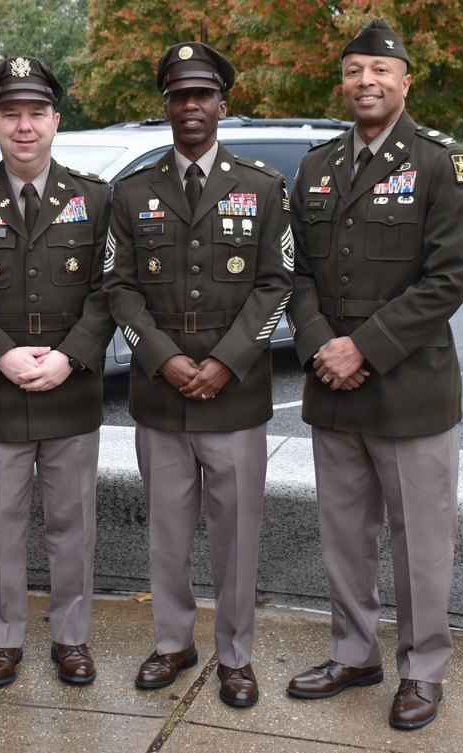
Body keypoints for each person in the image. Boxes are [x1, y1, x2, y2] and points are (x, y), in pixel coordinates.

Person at [284, 18, 463, 730]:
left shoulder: (439, 163)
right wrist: (318, 345)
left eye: (380, 70)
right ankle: (354, 651)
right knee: (343, 532)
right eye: (354, 70)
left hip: (408, 388)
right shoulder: (318, 164)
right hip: (332, 389)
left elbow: (446, 280)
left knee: (420, 538)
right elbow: (297, 271)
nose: (366, 81)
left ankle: (424, 667)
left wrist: (359, 347)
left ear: (405, 81)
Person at [103, 42, 293, 708]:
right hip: (160, 395)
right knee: (167, 530)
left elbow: (276, 284)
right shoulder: (132, 191)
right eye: (179, 95)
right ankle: (172, 641)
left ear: (222, 102)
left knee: (237, 537)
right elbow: (118, 287)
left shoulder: (263, 186)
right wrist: (163, 357)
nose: (191, 106)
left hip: (235, 397)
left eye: (202, 94)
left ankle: (235, 654)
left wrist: (224, 362)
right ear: (166, 104)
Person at [0, 56, 113, 688]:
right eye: (11, 114)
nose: (24, 126)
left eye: (36, 112)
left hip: (71, 389)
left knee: (73, 525)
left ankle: (71, 638)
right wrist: (0, 353)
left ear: (55, 120)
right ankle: (3, 640)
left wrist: (69, 355)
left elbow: (108, 288)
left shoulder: (94, 198)